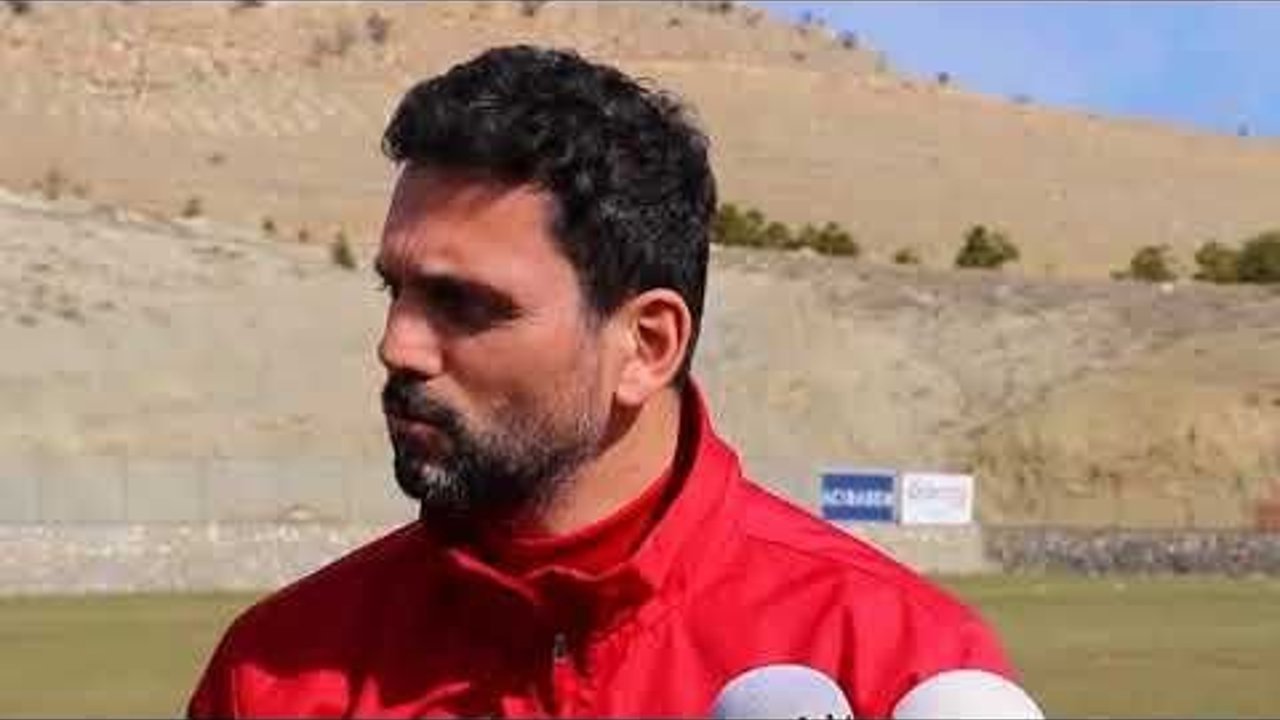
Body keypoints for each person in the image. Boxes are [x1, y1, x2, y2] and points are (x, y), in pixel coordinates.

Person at [188, 45, 1018, 718]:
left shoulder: (897, 665)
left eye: (464, 304)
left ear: (647, 345)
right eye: (394, 292)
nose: (397, 345)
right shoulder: (273, 677)